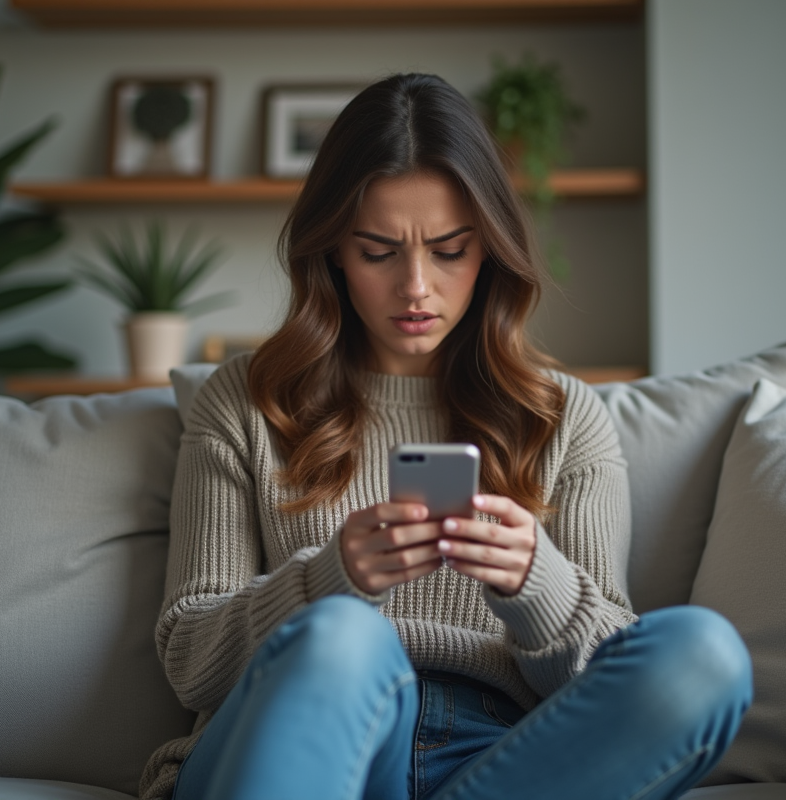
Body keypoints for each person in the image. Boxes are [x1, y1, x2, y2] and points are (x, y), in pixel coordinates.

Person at [139, 73, 751, 800]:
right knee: (344, 638)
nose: (417, 289)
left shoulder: (563, 417)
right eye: (378, 252)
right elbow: (191, 659)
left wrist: (536, 584)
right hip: (315, 731)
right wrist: (332, 578)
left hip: (503, 757)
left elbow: (608, 675)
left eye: (450, 250)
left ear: (490, 248)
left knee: (704, 654)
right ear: (333, 250)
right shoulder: (245, 400)